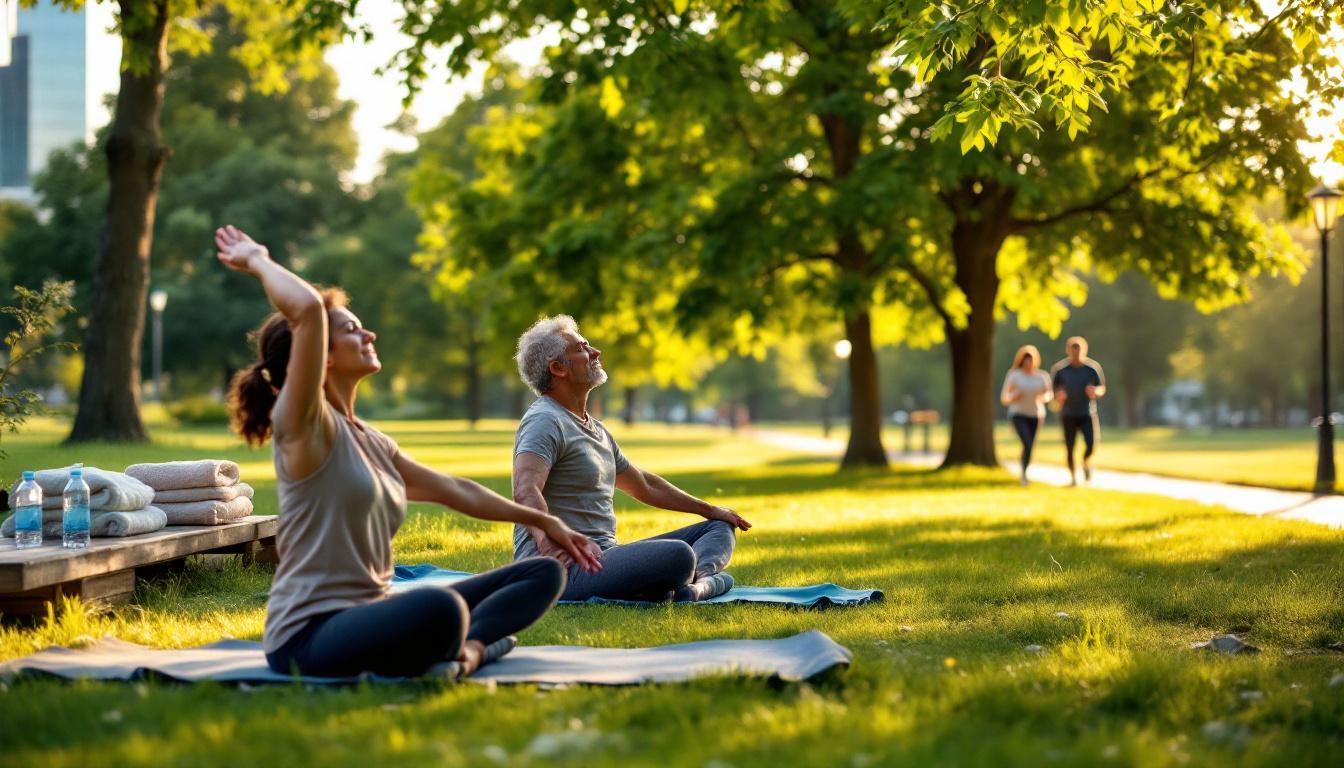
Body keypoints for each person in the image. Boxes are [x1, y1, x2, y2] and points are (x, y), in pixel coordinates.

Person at [216, 225, 602, 679]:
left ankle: (471, 650)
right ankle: (464, 641)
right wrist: (258, 257)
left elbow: (453, 489)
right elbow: (306, 312)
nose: (371, 335)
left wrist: (543, 520)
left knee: (541, 574)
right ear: (323, 354)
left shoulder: (373, 442)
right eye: (354, 330)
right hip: (308, 635)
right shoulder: (303, 426)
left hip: (374, 615)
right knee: (438, 606)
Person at [510, 315, 753, 603]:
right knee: (678, 555)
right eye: (582, 348)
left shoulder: (595, 428)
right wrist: (547, 541)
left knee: (718, 528)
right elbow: (525, 490)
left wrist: (710, 510)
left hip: (604, 557)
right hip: (561, 569)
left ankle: (697, 586)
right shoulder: (545, 420)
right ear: (558, 368)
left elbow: (644, 485)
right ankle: (704, 583)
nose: (595, 352)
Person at [1049, 336, 1107, 486]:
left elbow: (1101, 388)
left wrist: (1095, 391)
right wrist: (1058, 395)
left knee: (1091, 444)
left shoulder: (1092, 368)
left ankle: (1086, 461)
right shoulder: (1060, 370)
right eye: (1073, 350)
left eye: (1079, 350)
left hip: (1087, 413)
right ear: (1068, 351)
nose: (1076, 353)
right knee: (1069, 446)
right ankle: (1073, 478)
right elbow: (1053, 392)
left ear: (1084, 350)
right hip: (1068, 414)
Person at [1000, 344, 1052, 485]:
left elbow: (1048, 394)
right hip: (1018, 414)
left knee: (1030, 446)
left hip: (1036, 414)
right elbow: (1004, 398)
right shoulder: (1014, 375)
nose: (1028, 363)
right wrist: (1014, 396)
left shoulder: (1042, 376)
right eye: (1026, 360)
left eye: (1031, 360)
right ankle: (1023, 475)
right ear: (1021, 361)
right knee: (1027, 443)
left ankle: (1024, 472)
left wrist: (1044, 397)